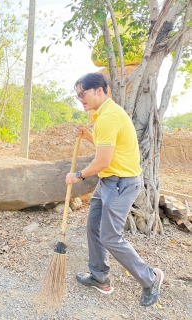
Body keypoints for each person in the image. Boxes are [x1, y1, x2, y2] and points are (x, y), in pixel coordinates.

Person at [65, 73, 163, 307]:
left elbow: (103, 161)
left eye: (83, 94)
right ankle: (99, 276)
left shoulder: (109, 117)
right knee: (93, 226)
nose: (80, 99)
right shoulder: (103, 115)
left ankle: (151, 278)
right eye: (77, 95)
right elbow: (108, 149)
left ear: (99, 90)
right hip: (108, 181)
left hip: (121, 183)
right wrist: (89, 136)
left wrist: (78, 175)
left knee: (110, 236)